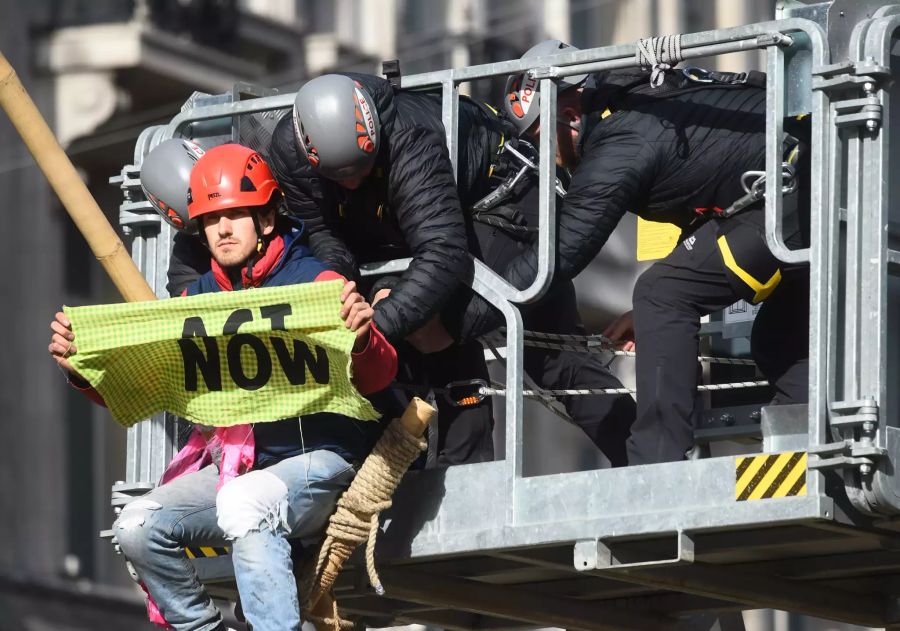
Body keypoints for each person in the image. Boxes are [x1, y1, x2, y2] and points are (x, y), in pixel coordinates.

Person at [48, 143, 398, 631]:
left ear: (268, 220)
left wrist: (363, 338)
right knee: (135, 525)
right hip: (240, 469)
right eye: (212, 220)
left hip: (322, 462)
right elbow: (148, 386)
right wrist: (80, 369)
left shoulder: (318, 283)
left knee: (243, 500)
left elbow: (379, 378)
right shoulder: (194, 300)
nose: (223, 229)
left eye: (236, 214)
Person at [502, 40, 810, 465]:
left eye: (541, 141)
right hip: (803, 185)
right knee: (778, 338)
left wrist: (488, 298)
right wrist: (650, 322)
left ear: (571, 118)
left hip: (790, 192)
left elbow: (564, 248)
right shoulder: (641, 100)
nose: (547, 160)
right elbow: (707, 188)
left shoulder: (621, 139)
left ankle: (655, 464)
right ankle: (806, 442)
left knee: (660, 293)